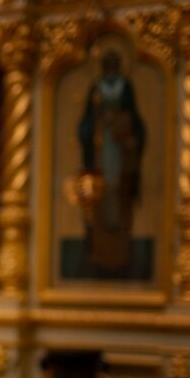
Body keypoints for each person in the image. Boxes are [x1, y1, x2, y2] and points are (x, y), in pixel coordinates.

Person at [77, 48, 145, 275]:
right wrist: (94, 129)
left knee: (119, 194)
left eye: (114, 64)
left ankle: (121, 255)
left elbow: (135, 121)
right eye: (107, 64)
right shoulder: (95, 88)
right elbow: (85, 124)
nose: (111, 68)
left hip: (120, 151)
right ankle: (98, 254)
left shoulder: (126, 87)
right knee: (99, 200)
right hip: (99, 151)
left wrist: (122, 127)